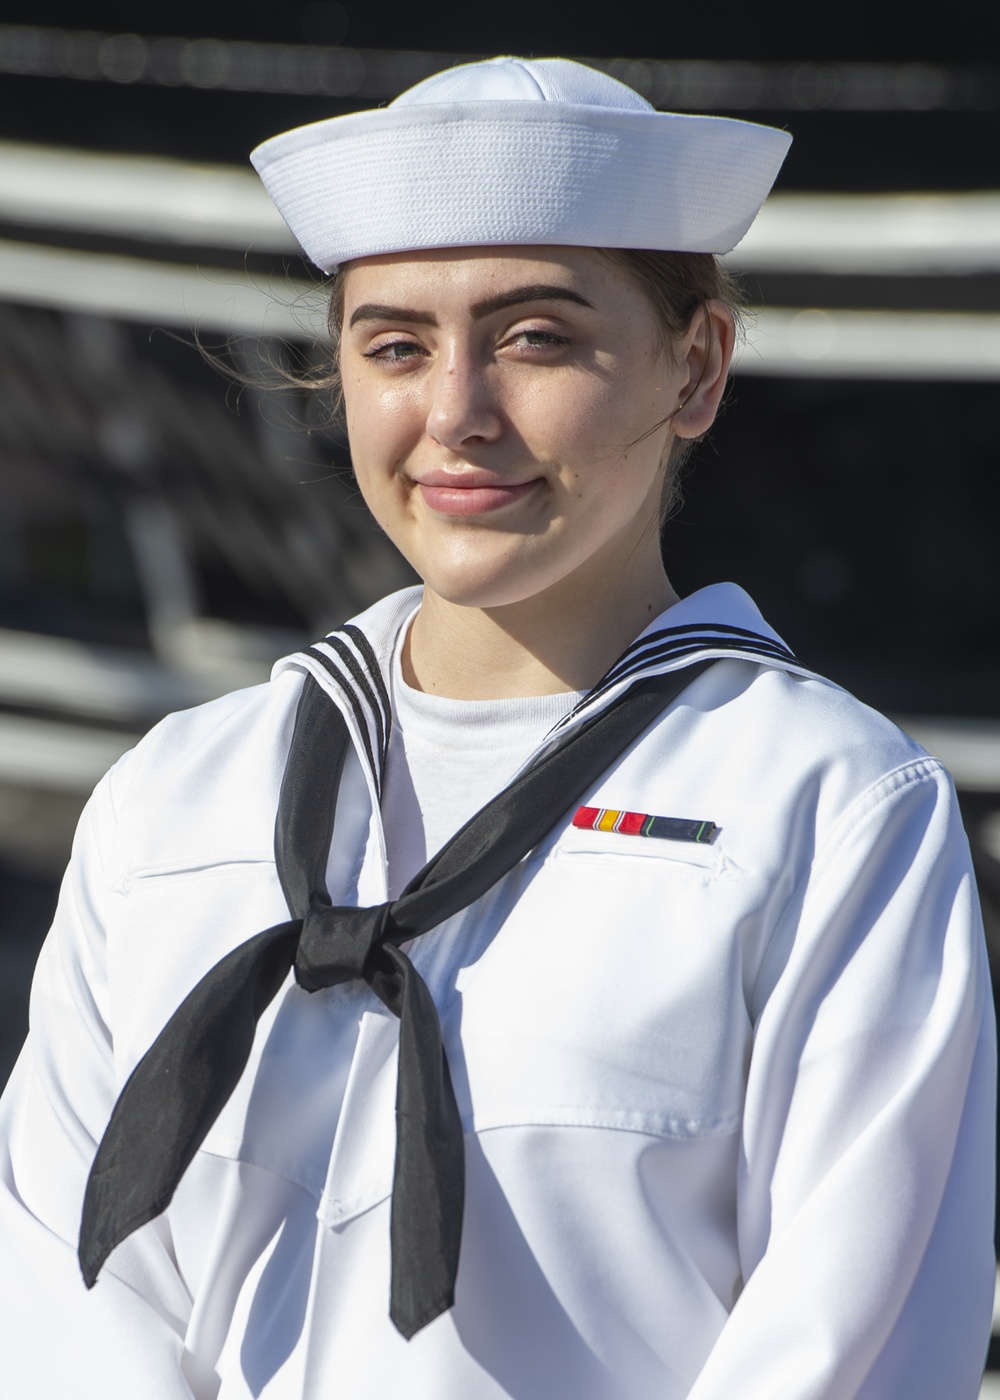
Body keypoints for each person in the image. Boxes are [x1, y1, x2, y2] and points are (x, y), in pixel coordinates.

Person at [0, 55, 994, 1400]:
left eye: (535, 338)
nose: (457, 416)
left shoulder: (829, 809)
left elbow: (853, 1345)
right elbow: (60, 1301)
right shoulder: (175, 800)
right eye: (396, 345)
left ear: (694, 367)